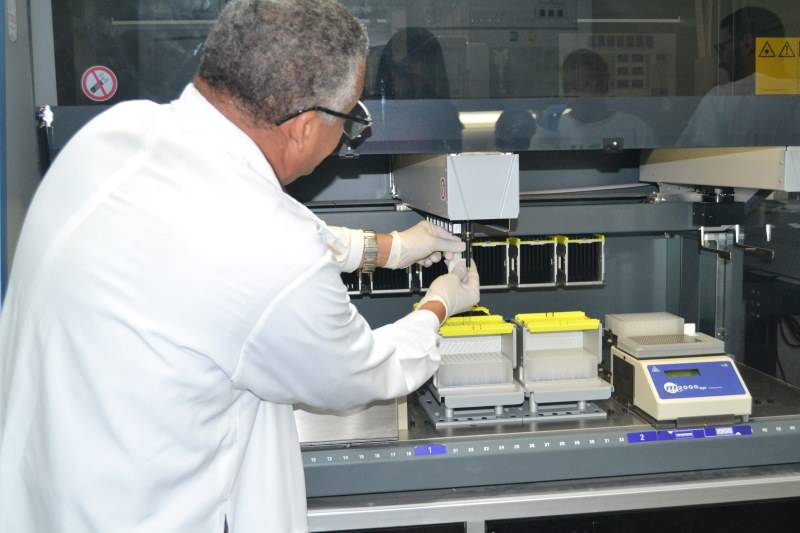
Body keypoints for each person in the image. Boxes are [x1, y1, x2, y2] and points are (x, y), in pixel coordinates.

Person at [0, 1, 480, 532]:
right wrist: (437, 307)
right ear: (304, 128)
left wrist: (388, 248)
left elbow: (219, 233)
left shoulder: (113, 134)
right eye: (349, 121)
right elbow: (361, 370)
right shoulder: (268, 246)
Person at [679, 6, 795, 146]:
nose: (721, 63)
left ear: (747, 44)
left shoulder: (720, 100)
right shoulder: (795, 96)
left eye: (722, 48)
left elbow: (690, 155)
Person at [537, 48, 657, 150]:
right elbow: (536, 166)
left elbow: (654, 167)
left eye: (581, 87)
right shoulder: (554, 128)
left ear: (601, 85)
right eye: (567, 89)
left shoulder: (634, 128)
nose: (573, 96)